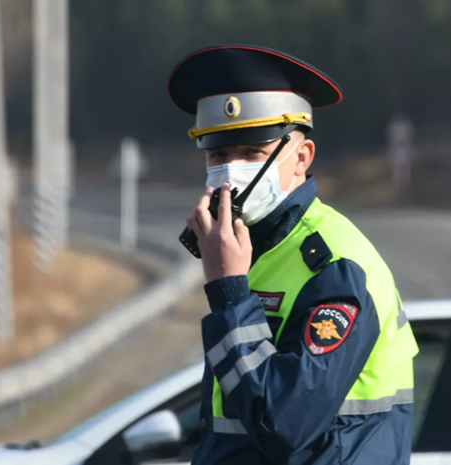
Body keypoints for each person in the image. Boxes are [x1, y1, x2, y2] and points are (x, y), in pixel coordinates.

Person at [168, 45, 419, 465]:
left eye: (252, 154)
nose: (231, 172)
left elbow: (284, 423)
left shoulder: (335, 266)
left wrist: (230, 295)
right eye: (218, 156)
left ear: (301, 158)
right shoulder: (253, 249)